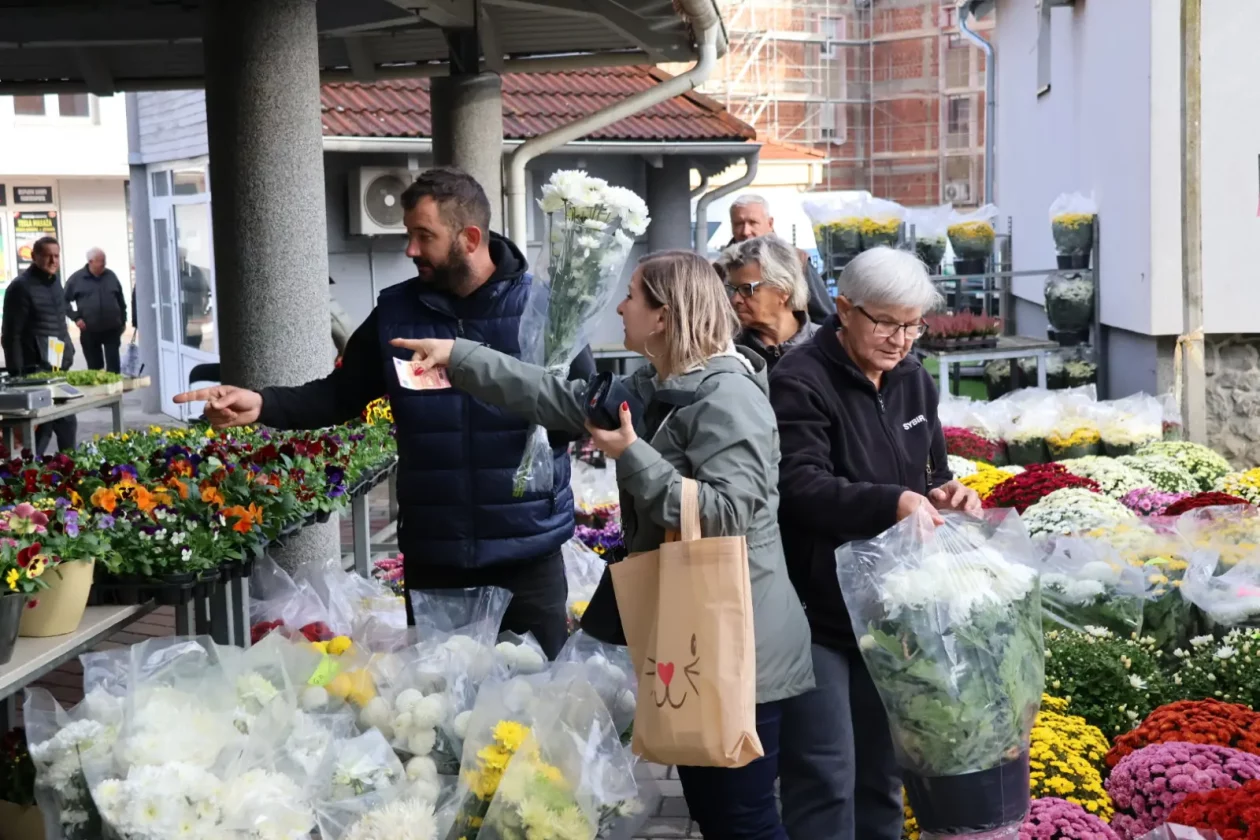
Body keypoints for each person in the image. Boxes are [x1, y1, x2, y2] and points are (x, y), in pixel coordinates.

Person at [393, 249, 814, 840]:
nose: (620, 306)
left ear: (664, 316)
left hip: (740, 648)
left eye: (633, 296)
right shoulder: (656, 384)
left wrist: (633, 456)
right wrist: (460, 358)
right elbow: (557, 396)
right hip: (701, 635)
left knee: (742, 817)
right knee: (718, 812)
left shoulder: (727, 398)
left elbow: (728, 514)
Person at [172, 167, 593, 658]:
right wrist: (263, 403)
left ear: (470, 238)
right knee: (442, 710)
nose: (410, 250)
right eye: (408, 235)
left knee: (540, 699)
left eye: (424, 236)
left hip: (527, 551)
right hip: (437, 554)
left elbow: (583, 410)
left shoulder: (545, 312)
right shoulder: (396, 313)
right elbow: (339, 394)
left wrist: (548, 434)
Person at [769, 246, 982, 840]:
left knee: (885, 773)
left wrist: (946, 492)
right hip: (817, 611)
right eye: (885, 322)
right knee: (826, 773)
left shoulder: (913, 378)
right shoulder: (799, 380)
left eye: (912, 324)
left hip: (892, 606)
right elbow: (798, 486)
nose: (900, 338)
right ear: (842, 309)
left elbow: (929, 470)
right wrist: (891, 501)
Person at [0, 236, 77, 454]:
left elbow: (59, 324)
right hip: (33, 372)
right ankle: (30, 478)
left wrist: (68, 352)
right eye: (47, 256)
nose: (53, 260)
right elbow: (10, 335)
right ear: (34, 257)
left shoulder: (55, 283)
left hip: (56, 370)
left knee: (67, 425)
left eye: (56, 256)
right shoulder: (20, 287)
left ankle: (70, 474)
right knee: (39, 434)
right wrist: (18, 374)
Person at [717, 235, 818, 372]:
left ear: (783, 289)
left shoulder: (827, 344)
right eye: (732, 290)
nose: (735, 300)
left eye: (747, 289)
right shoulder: (727, 350)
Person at [728, 194, 832, 325]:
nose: (745, 231)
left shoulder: (796, 261)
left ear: (770, 223)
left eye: (753, 222)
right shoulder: (720, 269)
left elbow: (825, 318)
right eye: (738, 224)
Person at [65, 247, 128, 373]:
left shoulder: (111, 276)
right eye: (100, 261)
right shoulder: (77, 279)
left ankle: (115, 392)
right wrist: (76, 318)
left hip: (112, 329)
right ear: (90, 262)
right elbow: (63, 301)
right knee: (95, 369)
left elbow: (121, 300)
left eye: (104, 260)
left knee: (114, 367)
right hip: (90, 331)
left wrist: (123, 320)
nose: (104, 264)